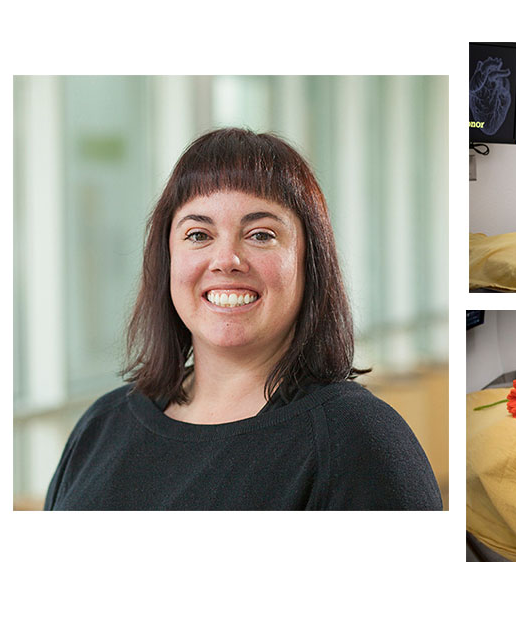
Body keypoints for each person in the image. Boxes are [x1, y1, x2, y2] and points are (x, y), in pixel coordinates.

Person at [44, 128, 442, 510]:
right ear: (167, 260)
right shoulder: (102, 425)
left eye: (261, 235)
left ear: (309, 262)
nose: (226, 260)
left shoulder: (360, 441)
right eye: (198, 235)